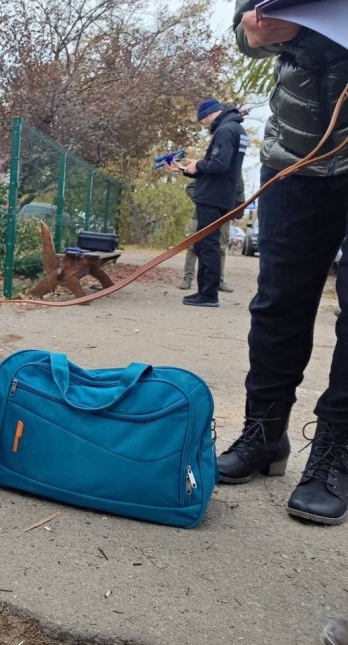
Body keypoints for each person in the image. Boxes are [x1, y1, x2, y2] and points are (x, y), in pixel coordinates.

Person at [216, 3, 348, 525]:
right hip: (294, 157)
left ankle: (335, 452)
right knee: (276, 302)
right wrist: (256, 31)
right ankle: (265, 434)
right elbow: (245, 27)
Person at [167, 99, 248, 307]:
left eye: (203, 123)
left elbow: (218, 164)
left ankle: (209, 294)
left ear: (210, 114)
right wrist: (186, 169)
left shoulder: (225, 130)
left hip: (212, 198)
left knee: (208, 244)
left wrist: (198, 165)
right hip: (221, 195)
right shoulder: (236, 129)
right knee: (206, 244)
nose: (204, 127)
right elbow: (223, 169)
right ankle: (205, 290)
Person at [179, 179, 246, 292]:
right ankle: (187, 278)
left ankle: (218, 280)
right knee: (193, 246)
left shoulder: (236, 172)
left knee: (221, 248)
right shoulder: (211, 169)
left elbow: (240, 195)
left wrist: (236, 212)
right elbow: (190, 187)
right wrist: (201, 202)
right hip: (201, 214)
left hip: (223, 216)